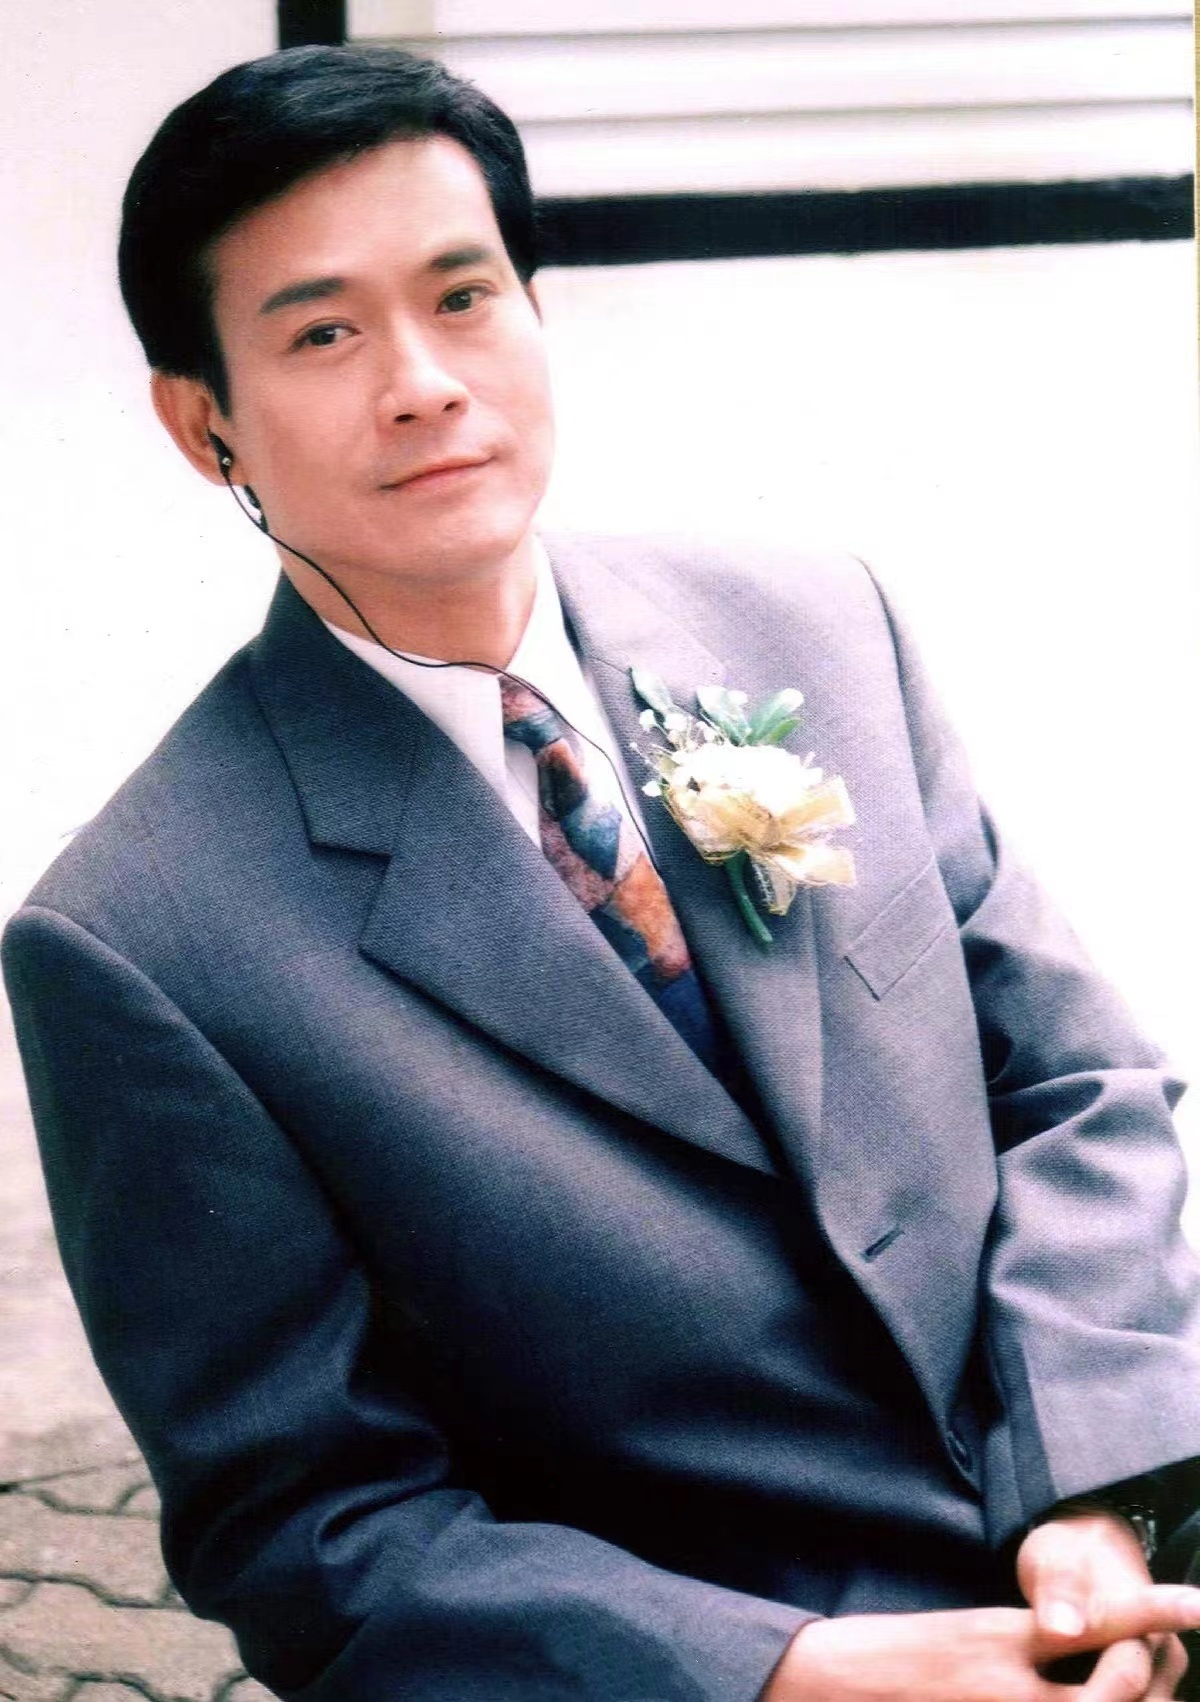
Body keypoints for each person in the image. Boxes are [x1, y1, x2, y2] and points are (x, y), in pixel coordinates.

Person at [5, 42, 1200, 1701]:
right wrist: (801, 1671)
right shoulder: (140, 938)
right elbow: (312, 1527)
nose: (424, 381)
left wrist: (1090, 1500)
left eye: (464, 296)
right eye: (324, 333)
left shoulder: (815, 623)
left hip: (1118, 1529)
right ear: (204, 422)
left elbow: (1074, 1080)